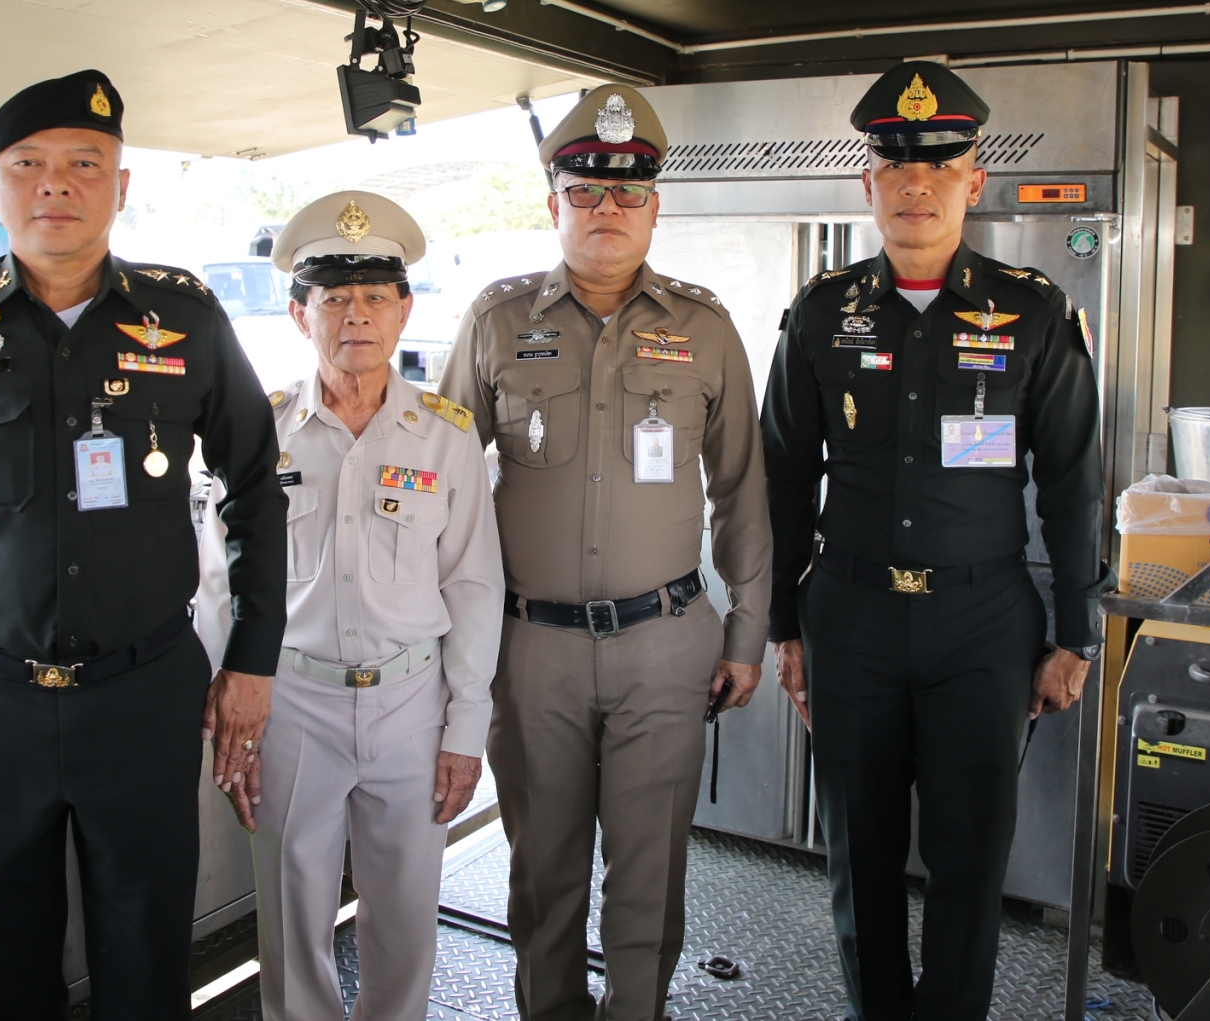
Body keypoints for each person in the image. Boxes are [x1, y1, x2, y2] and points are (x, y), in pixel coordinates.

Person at [0, 69, 288, 1020]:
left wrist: (252, 659)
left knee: (147, 966)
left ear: (121, 185)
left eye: (85, 163)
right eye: (28, 164)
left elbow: (254, 489)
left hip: (142, 695)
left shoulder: (184, 317)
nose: (55, 185)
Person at [763, 61, 1106, 1021]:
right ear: (867, 182)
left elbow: (1073, 482)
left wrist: (1076, 632)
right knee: (858, 855)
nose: (916, 184)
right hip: (852, 618)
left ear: (973, 181)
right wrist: (785, 624)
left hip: (983, 622)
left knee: (971, 857)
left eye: (940, 165)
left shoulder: (1033, 310)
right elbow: (784, 474)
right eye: (895, 166)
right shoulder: (823, 310)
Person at [438, 84, 773, 1021]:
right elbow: (443, 484)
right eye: (585, 190)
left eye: (629, 192)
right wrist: (442, 644)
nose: (607, 209)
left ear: (655, 208)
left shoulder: (704, 328)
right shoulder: (497, 320)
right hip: (529, 650)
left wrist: (747, 632)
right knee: (541, 878)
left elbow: (743, 488)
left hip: (665, 646)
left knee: (647, 881)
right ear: (554, 204)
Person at [226, 190, 504, 1021]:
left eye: (376, 296)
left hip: (412, 703)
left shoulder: (446, 434)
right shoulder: (261, 433)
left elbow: (474, 585)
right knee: (292, 921)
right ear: (298, 313)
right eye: (335, 298)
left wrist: (465, 729)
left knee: (407, 921)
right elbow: (219, 583)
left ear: (404, 309)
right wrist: (233, 716)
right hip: (293, 703)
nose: (357, 315)